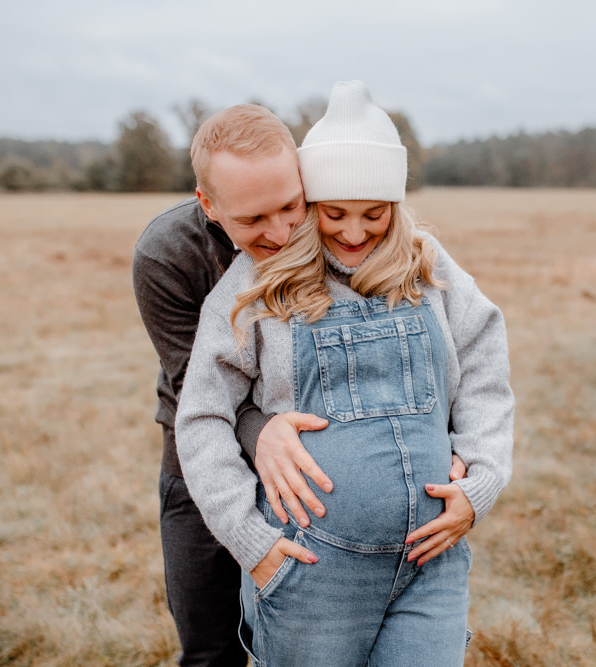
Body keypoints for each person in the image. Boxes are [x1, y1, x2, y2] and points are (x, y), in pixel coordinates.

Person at [176, 81, 514, 665]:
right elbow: (203, 416)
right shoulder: (258, 286)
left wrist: (480, 482)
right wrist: (254, 544)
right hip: (311, 574)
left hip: (430, 566)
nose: (354, 233)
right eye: (333, 213)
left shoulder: (428, 266)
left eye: (374, 214)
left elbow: (485, 365)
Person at [133, 104, 332, 666]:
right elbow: (195, 387)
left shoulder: (335, 221)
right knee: (212, 650)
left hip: (310, 468)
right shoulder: (166, 254)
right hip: (195, 466)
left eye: (292, 206)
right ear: (209, 205)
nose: (283, 232)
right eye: (252, 220)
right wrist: (260, 430)